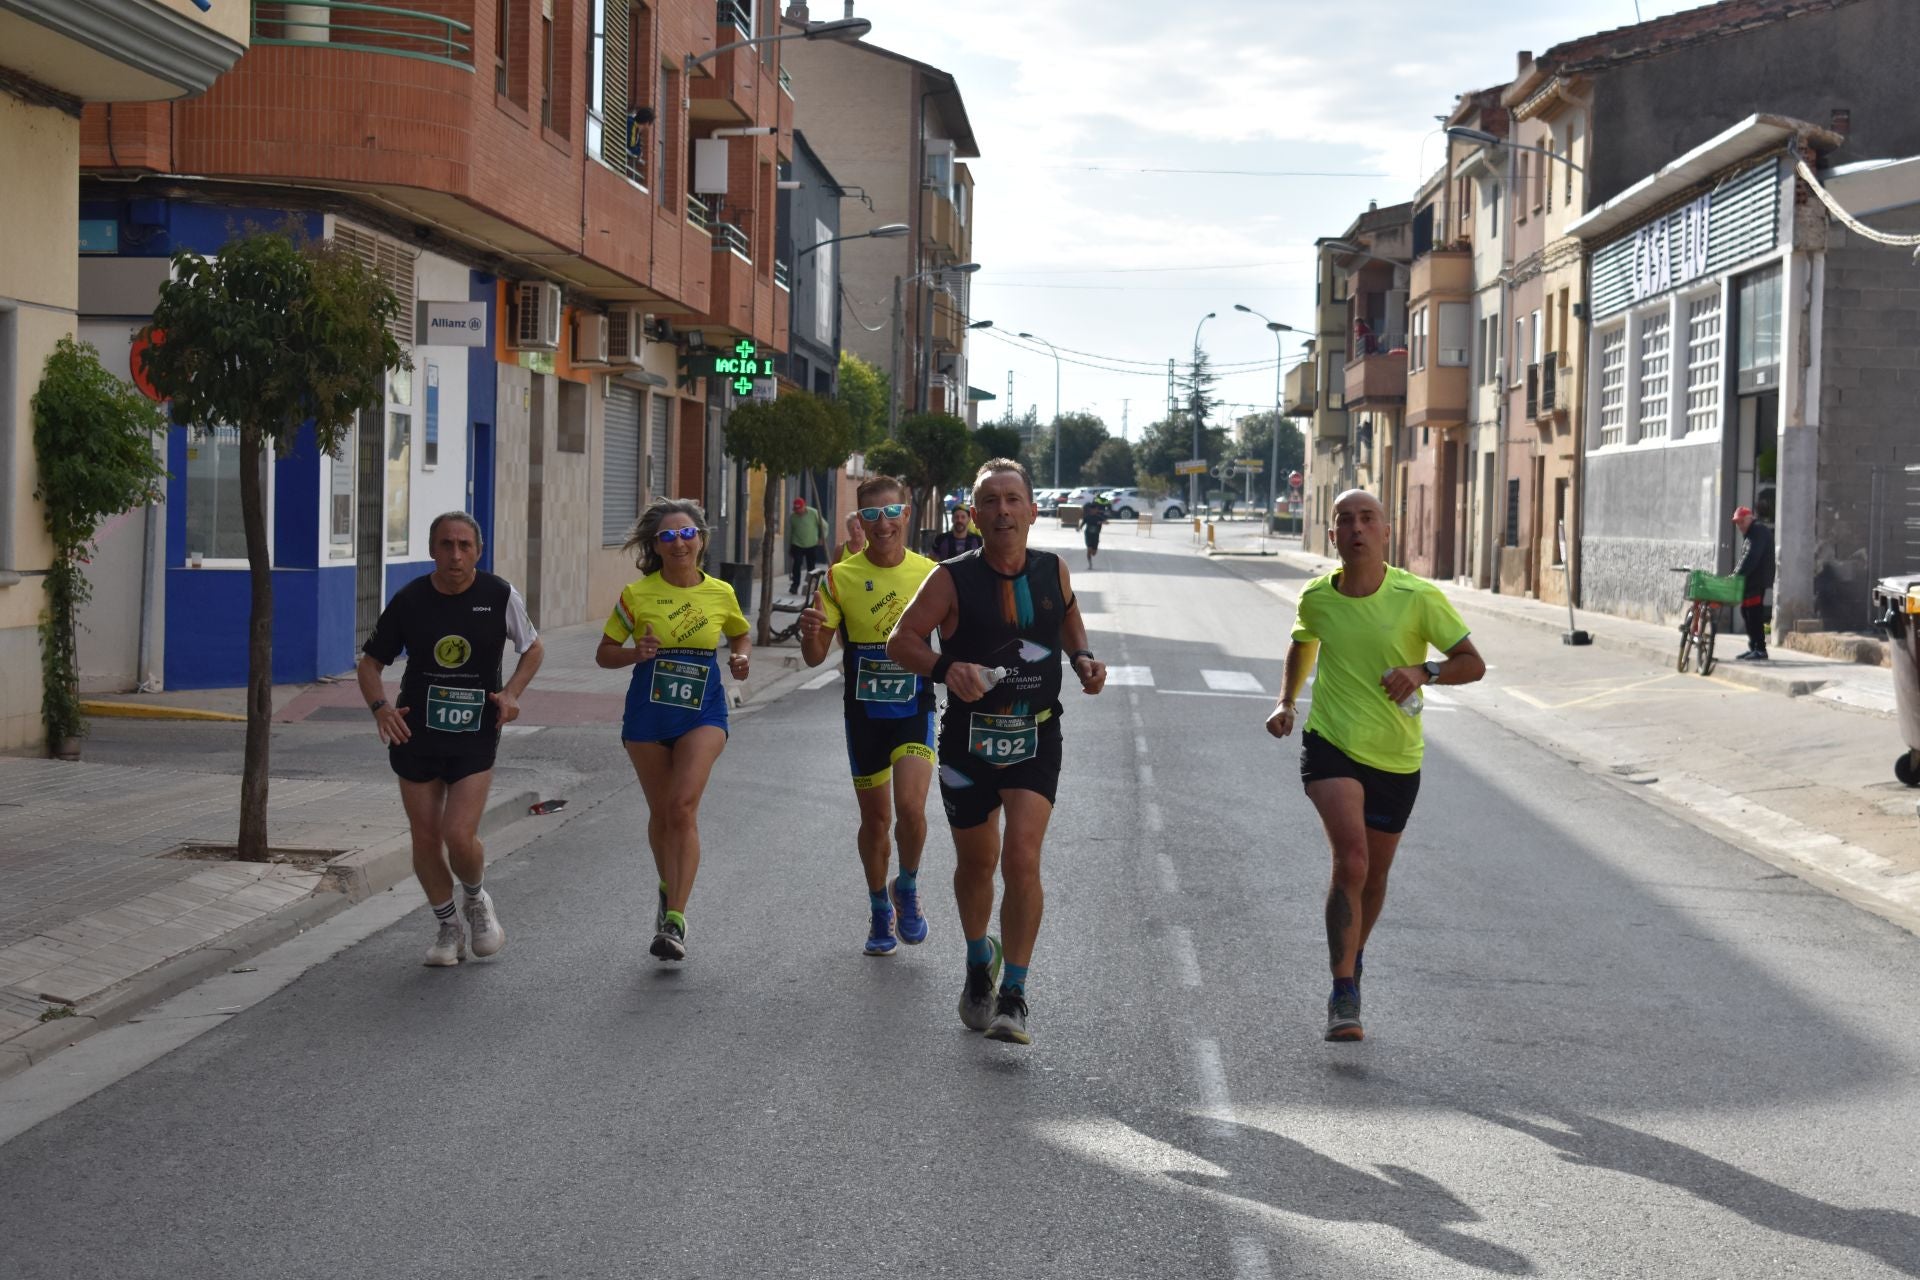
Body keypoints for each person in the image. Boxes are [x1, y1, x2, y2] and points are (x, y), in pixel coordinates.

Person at [889, 458, 1107, 1045]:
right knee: (978, 863)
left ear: (1033, 511)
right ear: (976, 514)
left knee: (1022, 859)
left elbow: (1069, 619)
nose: (1003, 510)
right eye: (991, 501)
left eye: (1014, 500)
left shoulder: (1052, 570)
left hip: (1036, 732)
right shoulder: (950, 579)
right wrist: (944, 667)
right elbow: (901, 641)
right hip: (968, 739)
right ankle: (975, 960)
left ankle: (1014, 992)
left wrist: (1083, 658)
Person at [1264, 489, 1484, 1042]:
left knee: (1376, 874)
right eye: (1345, 520)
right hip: (1331, 743)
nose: (1356, 528)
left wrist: (1425, 671)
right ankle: (1343, 992)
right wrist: (1287, 702)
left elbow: (1472, 663)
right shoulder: (1317, 596)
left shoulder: (1418, 597)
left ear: (1387, 531)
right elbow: (1303, 643)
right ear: (1333, 535)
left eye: (1368, 518)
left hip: (1396, 755)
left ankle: (1353, 955)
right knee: (1353, 861)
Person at [357, 511, 544, 967]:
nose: (455, 554)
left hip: (474, 729)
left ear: (478, 551)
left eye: (464, 545)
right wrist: (381, 709)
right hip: (416, 728)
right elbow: (370, 664)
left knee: (458, 834)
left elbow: (533, 648)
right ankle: (448, 926)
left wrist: (512, 694)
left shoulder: (499, 595)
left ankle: (477, 901)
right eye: (446, 545)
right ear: (432, 549)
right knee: (424, 837)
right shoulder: (409, 600)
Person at [597, 498, 751, 962]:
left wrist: (741, 656)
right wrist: (635, 652)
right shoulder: (636, 595)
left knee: (682, 807)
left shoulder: (721, 592)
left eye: (687, 534)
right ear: (656, 546)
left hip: (703, 712)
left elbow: (739, 632)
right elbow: (604, 652)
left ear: (701, 540)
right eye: (668, 536)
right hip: (647, 713)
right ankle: (669, 883)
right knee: (662, 813)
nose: (679, 542)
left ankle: (675, 921)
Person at [799, 476, 939, 956]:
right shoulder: (839, 577)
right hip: (863, 714)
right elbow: (816, 657)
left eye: (892, 513)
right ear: (860, 521)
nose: (883, 525)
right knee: (876, 821)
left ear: (906, 515)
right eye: (871, 516)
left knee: (913, 809)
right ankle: (880, 907)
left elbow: (958, 636)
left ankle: (910, 885)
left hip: (914, 707)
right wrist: (809, 632)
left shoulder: (931, 573)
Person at [1732, 505, 1776, 661]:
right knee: (1746, 611)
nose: (1739, 526)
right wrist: (1736, 573)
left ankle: (1760, 649)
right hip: (1753, 578)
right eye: (1737, 523)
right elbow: (1745, 558)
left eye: (1742, 521)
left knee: (1753, 613)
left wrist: (1736, 575)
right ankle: (1754, 647)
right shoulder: (1752, 532)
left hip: (1757, 579)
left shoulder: (1756, 531)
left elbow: (1751, 557)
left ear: (1750, 519)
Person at [787, 495, 826, 595]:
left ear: (804, 506)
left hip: (811, 544)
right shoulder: (793, 517)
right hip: (797, 544)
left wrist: (822, 538)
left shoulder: (814, 513)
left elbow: (825, 525)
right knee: (797, 565)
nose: (798, 511)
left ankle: (811, 587)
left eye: (799, 508)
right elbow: (791, 532)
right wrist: (790, 547)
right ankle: (794, 586)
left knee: (811, 567)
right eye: (796, 509)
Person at [1080, 492, 1110, 571]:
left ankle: (1093, 550)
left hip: (1096, 536)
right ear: (1090, 510)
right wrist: (1079, 528)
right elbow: (1083, 523)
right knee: (1089, 549)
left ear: (1096, 510)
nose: (1093, 511)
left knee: (1094, 553)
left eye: (1095, 509)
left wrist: (1102, 522)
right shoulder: (1087, 517)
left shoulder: (1099, 517)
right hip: (1088, 535)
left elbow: (1107, 522)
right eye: (1092, 509)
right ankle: (1090, 564)